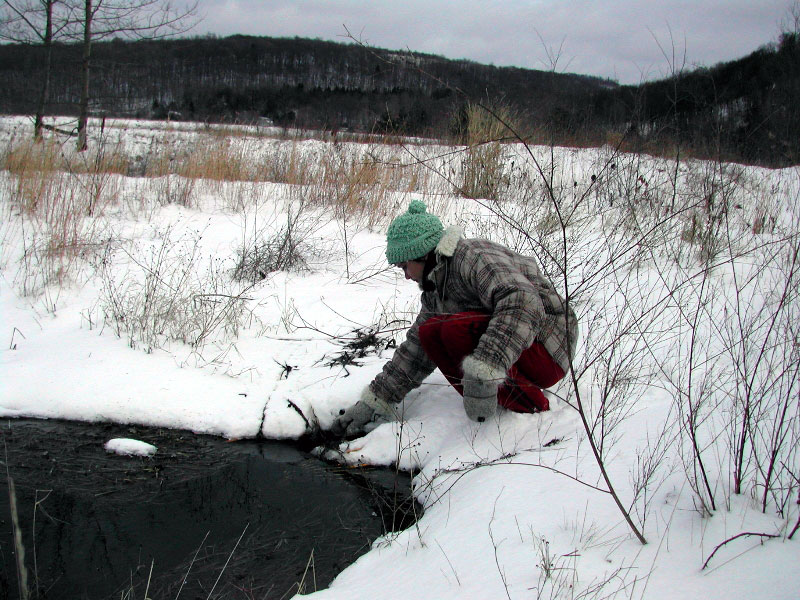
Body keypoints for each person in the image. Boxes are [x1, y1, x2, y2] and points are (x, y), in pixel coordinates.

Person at [330, 200, 578, 438]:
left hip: (549, 346)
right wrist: (376, 400)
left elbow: (523, 302)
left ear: (422, 255)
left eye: (404, 266)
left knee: (452, 330)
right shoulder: (436, 285)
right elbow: (416, 350)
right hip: (518, 354)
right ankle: (493, 398)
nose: (406, 276)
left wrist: (484, 370)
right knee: (430, 332)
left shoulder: (472, 257)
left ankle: (532, 407)